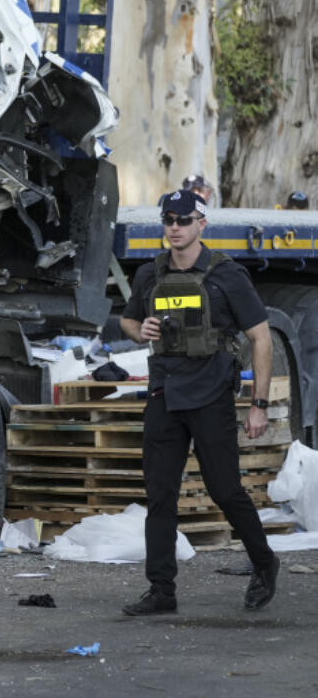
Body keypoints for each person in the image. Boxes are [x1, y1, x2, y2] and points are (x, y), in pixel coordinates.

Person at [119, 189, 278, 615]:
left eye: (184, 220)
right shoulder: (149, 274)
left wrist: (258, 403)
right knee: (160, 495)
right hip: (164, 393)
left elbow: (260, 338)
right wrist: (141, 330)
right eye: (169, 219)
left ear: (201, 224)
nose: (175, 227)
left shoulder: (228, 275)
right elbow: (129, 319)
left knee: (225, 490)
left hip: (211, 394)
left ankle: (265, 562)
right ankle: (161, 591)